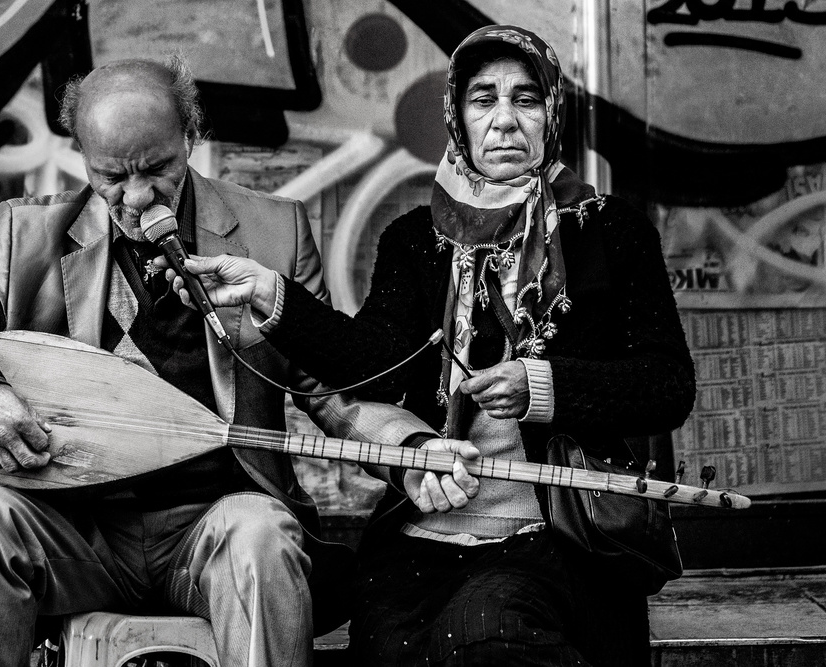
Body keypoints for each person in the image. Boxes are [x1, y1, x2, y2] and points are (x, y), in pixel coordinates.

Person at [0, 57, 436, 667]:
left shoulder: (274, 231)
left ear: (191, 137)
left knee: (262, 534)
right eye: (111, 175)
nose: (137, 196)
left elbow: (331, 394)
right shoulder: (27, 235)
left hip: (212, 530)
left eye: (159, 168)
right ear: (82, 154)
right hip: (74, 534)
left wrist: (411, 453)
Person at [172, 25, 696, 666]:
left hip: (555, 532)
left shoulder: (610, 231)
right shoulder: (415, 239)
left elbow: (667, 384)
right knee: (393, 649)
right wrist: (272, 296)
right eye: (484, 100)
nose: (504, 121)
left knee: (489, 632)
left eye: (526, 99)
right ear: (458, 116)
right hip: (422, 531)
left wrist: (542, 386)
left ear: (552, 112)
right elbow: (371, 363)